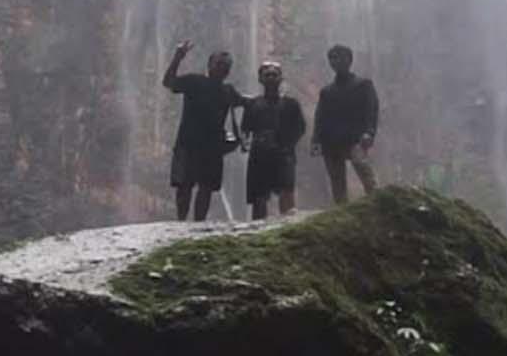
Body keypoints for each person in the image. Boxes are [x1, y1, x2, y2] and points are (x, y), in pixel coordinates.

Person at [161, 39, 243, 222]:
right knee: (184, 185)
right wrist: (177, 58)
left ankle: (199, 224)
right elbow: (168, 82)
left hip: (213, 147)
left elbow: (247, 103)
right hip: (187, 143)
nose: (223, 68)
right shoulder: (194, 81)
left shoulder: (228, 91)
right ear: (209, 65)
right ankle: (180, 223)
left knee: (206, 187)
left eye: (226, 65)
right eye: (219, 64)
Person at [310, 43, 379, 204]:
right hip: (331, 140)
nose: (335, 62)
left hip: (356, 137)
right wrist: (315, 140)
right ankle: (341, 209)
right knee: (336, 180)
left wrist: (370, 132)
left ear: (349, 60)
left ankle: (377, 202)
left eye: (339, 57)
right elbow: (320, 117)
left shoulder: (363, 85)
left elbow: (372, 110)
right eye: (332, 58)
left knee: (362, 167)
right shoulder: (327, 91)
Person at [241, 60, 306, 220]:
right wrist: (245, 142)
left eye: (274, 75)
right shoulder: (253, 104)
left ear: (281, 78)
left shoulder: (291, 104)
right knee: (259, 196)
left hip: (284, 154)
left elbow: (300, 128)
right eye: (267, 75)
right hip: (259, 154)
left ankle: (288, 226)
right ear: (260, 79)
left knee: (286, 191)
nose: (271, 78)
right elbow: (245, 129)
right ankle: (257, 230)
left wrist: (287, 143)